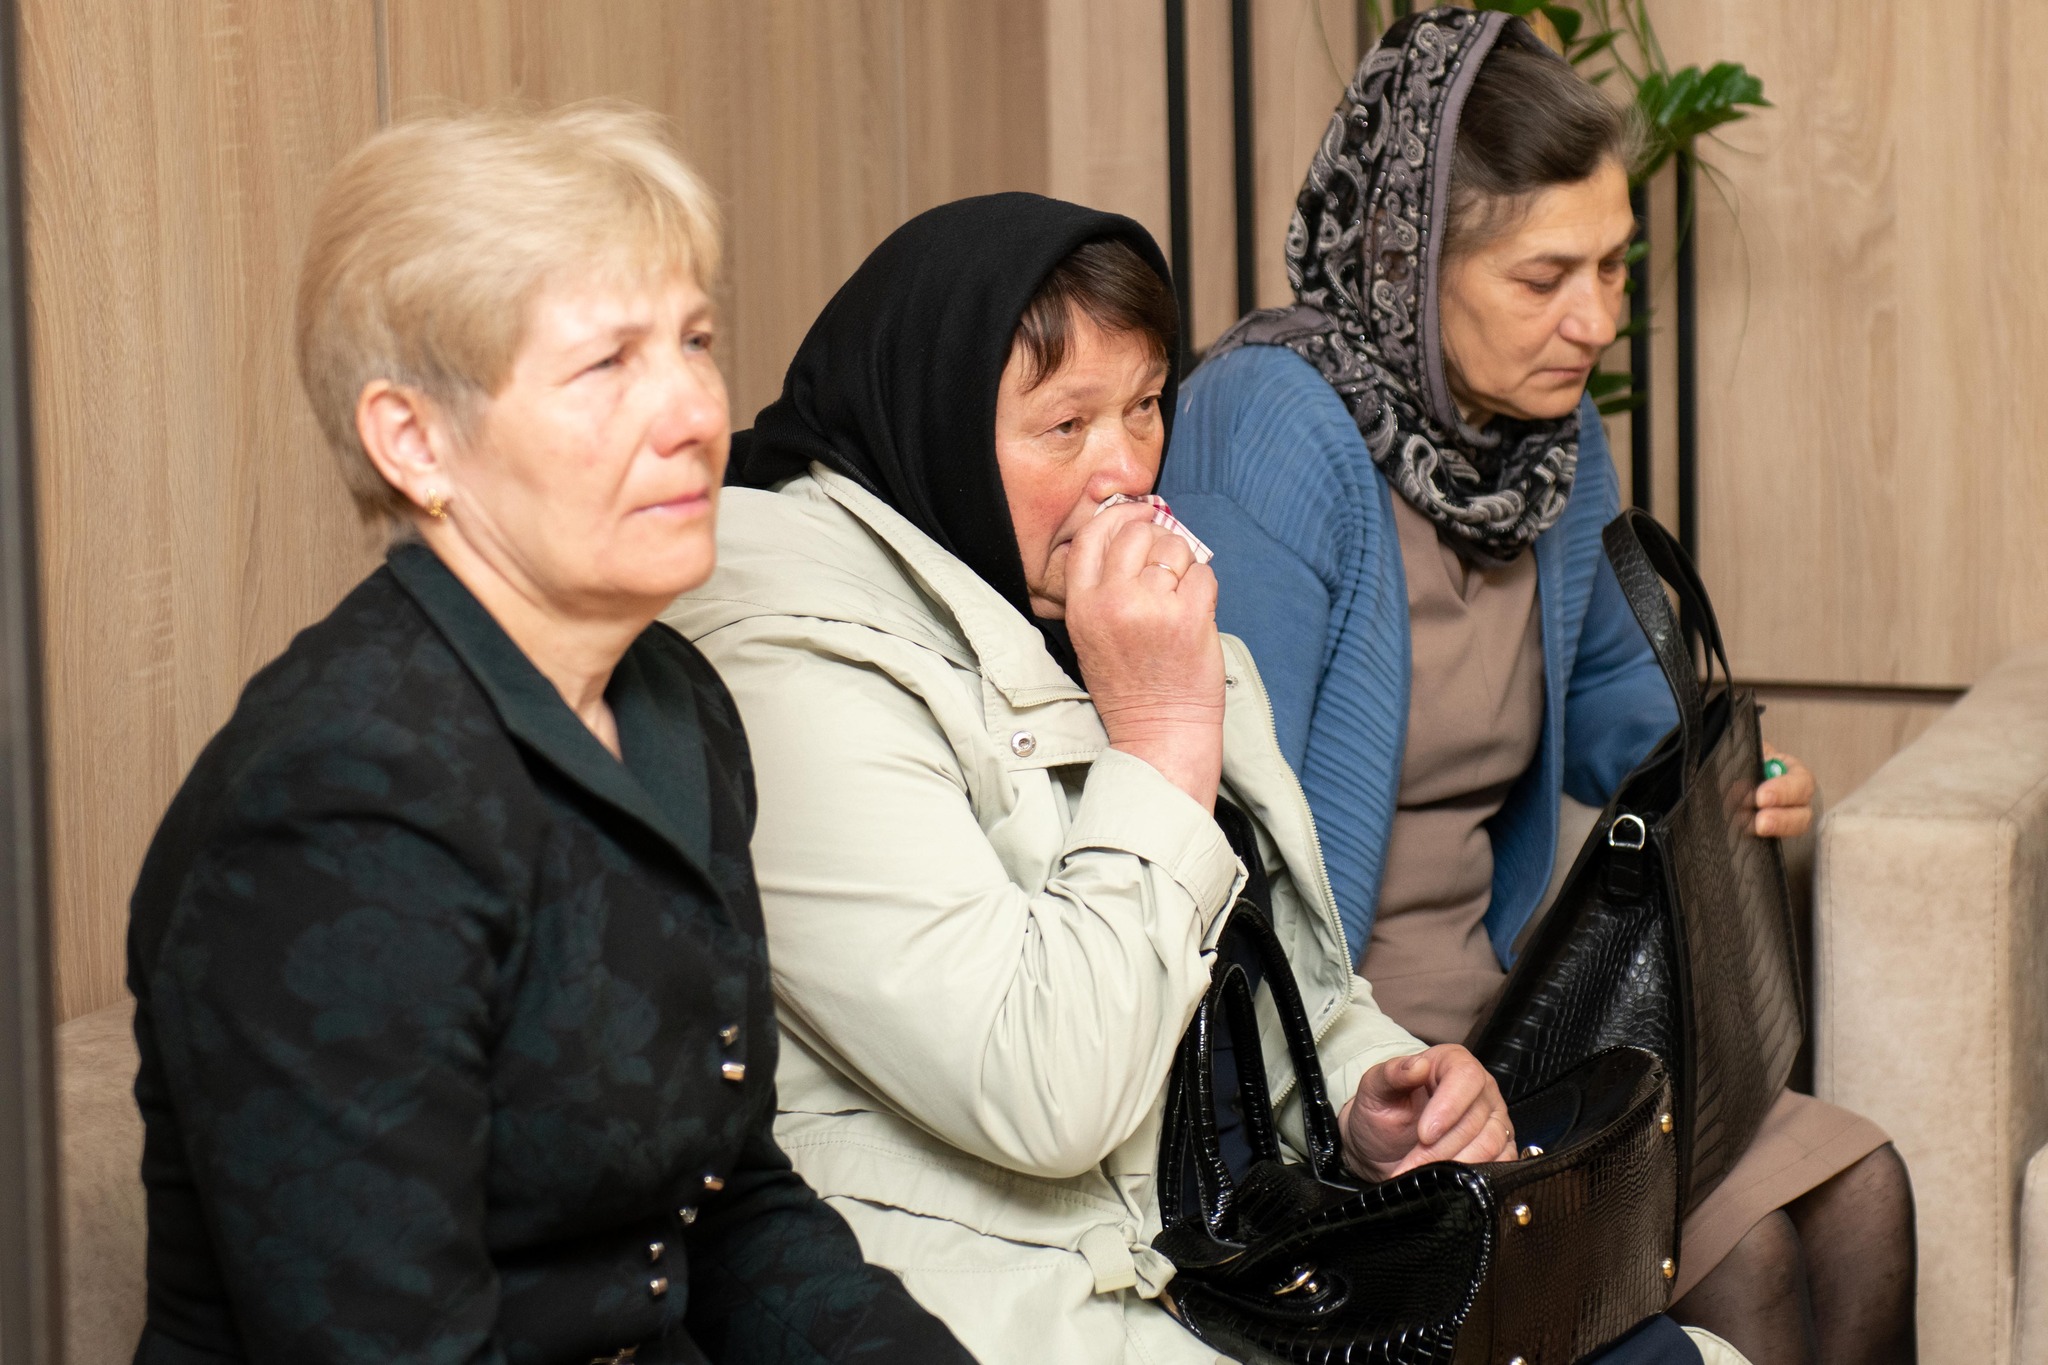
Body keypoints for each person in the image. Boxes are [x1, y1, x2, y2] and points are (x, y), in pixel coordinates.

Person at [662, 193, 1737, 1365]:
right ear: (931, 427)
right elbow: (1040, 1090)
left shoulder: (1106, 610)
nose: (1123, 471)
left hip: (1239, 1242)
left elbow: (1265, 972)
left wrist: (1364, 1086)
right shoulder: (786, 658)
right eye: (1063, 425)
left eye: (1142, 406)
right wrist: (1164, 731)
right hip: (1019, 1297)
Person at [125, 106, 972, 1365]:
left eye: (693, 340)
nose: (693, 411)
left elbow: (731, 1211)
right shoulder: (340, 796)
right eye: (607, 364)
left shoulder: (673, 701)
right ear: (413, 440)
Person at [1157, 10, 1915, 1364]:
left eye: (1613, 266)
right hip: (1350, 1068)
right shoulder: (1268, 425)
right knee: (1750, 1262)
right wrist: (1363, 1077)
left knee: (1862, 1193)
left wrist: (1735, 778)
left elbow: (1625, 715)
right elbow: (1217, 825)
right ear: (1408, 266)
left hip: (1519, 1014)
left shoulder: (1550, 443)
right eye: (1544, 277)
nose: (1598, 320)